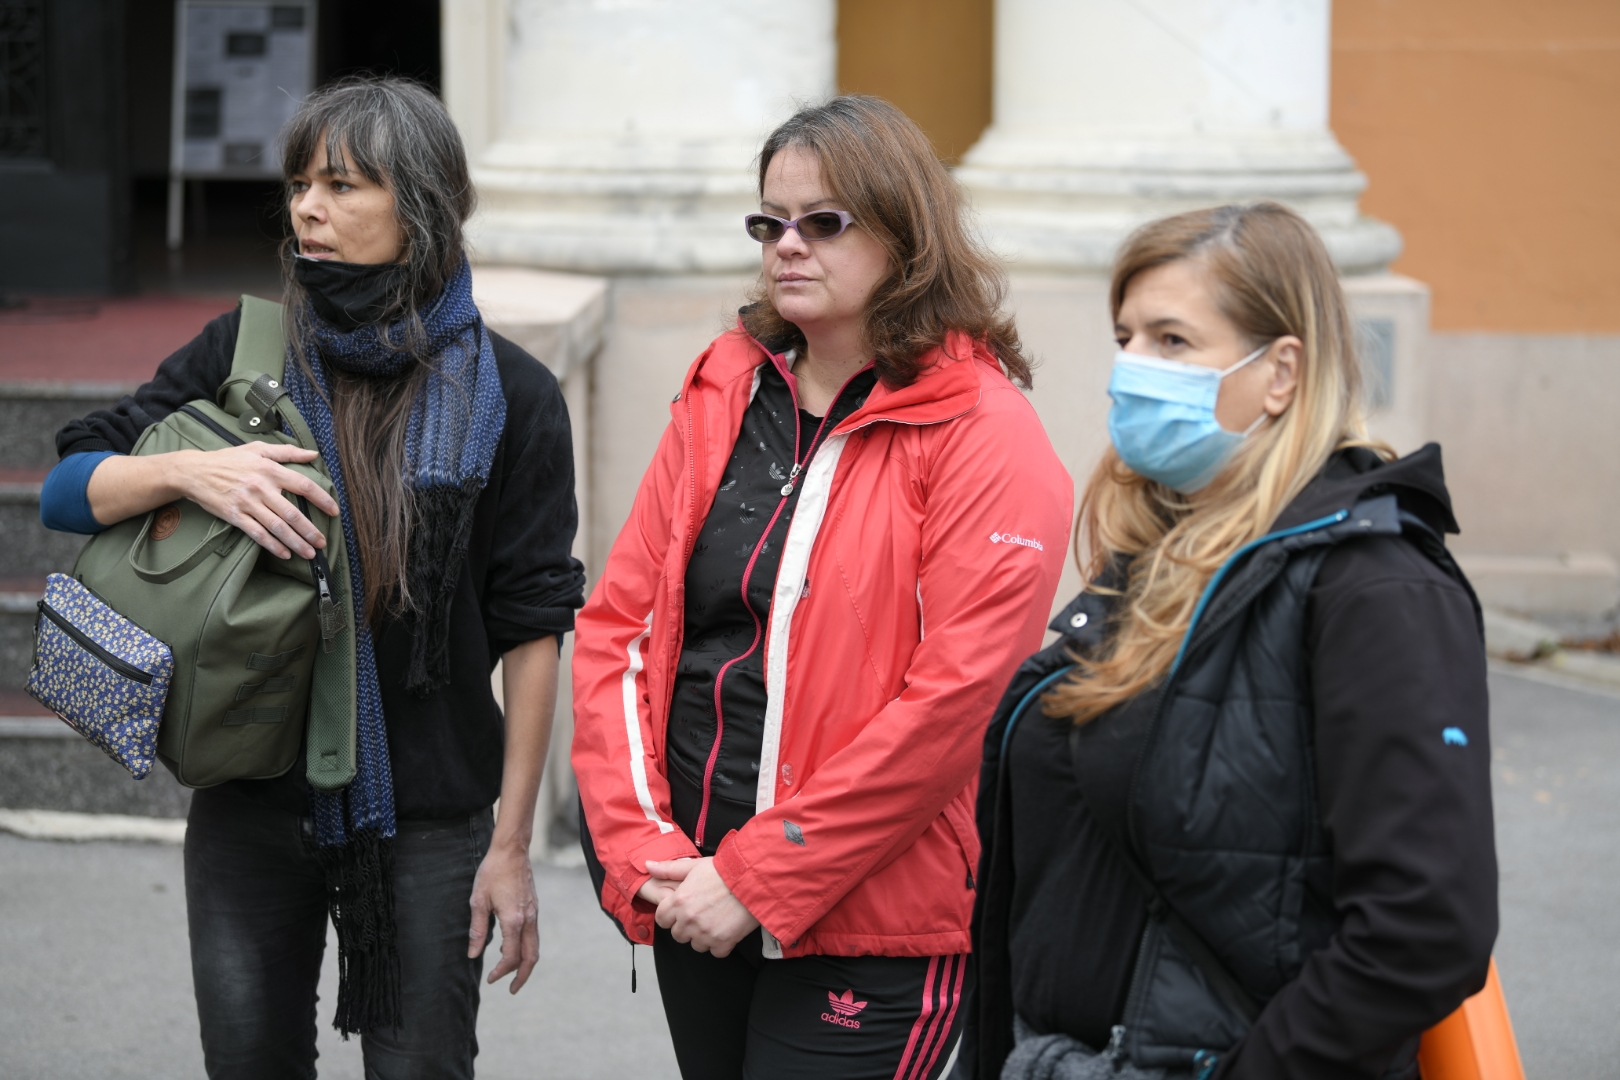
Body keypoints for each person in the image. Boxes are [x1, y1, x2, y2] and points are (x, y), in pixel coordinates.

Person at [40, 77, 585, 1079]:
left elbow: (533, 625)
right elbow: (68, 487)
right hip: (249, 799)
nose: (307, 210)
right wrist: (191, 470)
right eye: (299, 185)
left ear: (419, 204)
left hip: (429, 818)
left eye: (341, 185)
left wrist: (511, 844)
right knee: (248, 1062)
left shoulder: (513, 393)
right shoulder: (245, 351)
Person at [570, 96, 1072, 1079]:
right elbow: (621, 628)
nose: (787, 246)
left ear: (905, 234)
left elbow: (954, 707)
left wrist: (760, 877)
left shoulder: (985, 432)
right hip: (691, 887)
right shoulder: (724, 387)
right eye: (770, 223)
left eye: (824, 222)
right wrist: (642, 849)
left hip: (874, 923)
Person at [963, 202, 1497, 1080]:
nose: (1133, 368)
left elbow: (1423, 929)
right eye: (1126, 337)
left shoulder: (1375, 587)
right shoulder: (1161, 558)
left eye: (1172, 341)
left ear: (1282, 372)